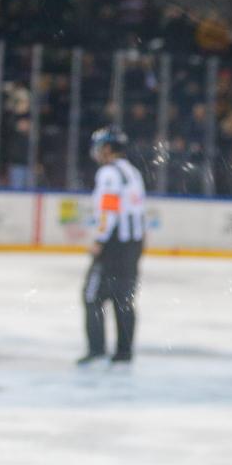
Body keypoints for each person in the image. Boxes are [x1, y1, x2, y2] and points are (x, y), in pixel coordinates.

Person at [78, 127, 147, 365]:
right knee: (124, 299)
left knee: (91, 296)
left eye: (99, 147)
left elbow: (108, 210)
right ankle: (124, 352)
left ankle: (96, 349)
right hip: (133, 245)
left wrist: (99, 239)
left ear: (108, 148)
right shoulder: (133, 172)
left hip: (113, 244)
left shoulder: (108, 173)